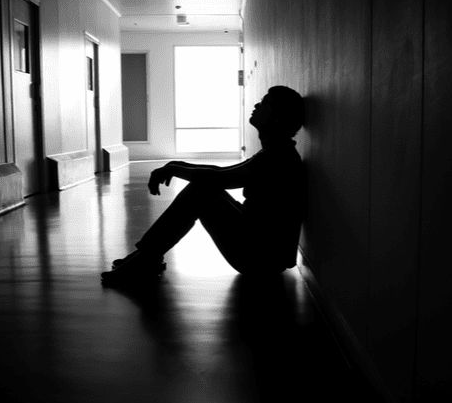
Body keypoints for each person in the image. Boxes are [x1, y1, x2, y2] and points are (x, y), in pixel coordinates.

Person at [101, 85, 306, 285]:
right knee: (204, 188)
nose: (256, 105)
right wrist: (176, 165)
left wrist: (175, 168)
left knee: (200, 191)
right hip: (261, 248)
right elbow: (221, 172)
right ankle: (148, 256)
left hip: (261, 259)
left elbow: (220, 178)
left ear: (276, 117)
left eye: (264, 103)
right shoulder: (277, 151)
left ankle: (147, 257)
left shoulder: (278, 157)